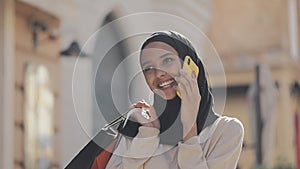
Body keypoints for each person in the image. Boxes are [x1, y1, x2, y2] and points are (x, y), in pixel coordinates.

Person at [105, 31, 244, 169]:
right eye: (148, 68)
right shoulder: (139, 128)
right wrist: (146, 137)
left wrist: (189, 130)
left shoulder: (226, 130)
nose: (158, 73)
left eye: (167, 60)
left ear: (191, 67)